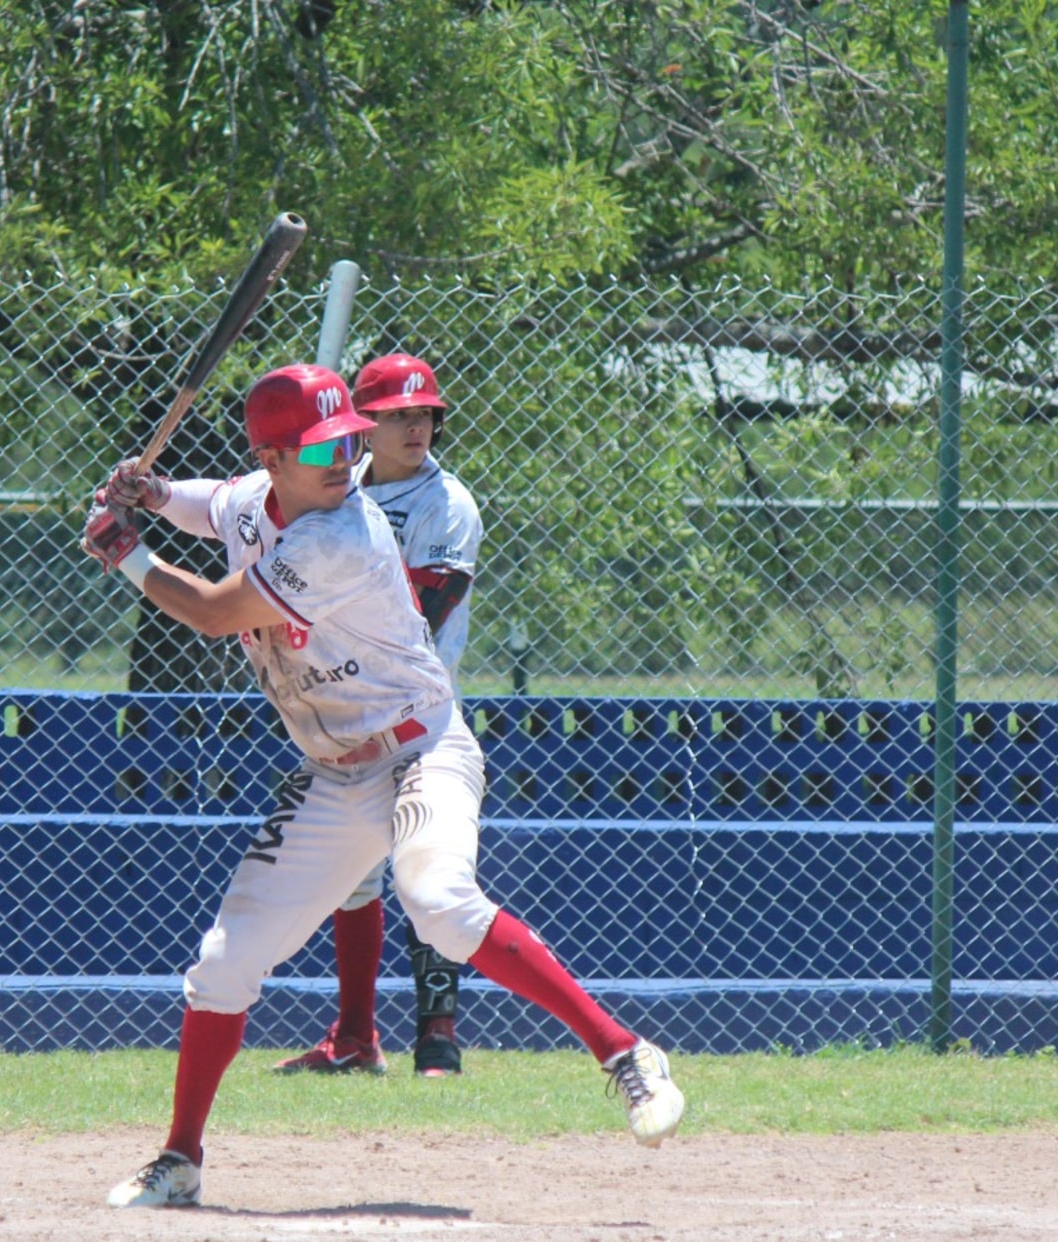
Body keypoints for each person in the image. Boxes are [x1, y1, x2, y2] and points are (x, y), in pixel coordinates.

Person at [82, 363, 685, 1209]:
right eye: (325, 444)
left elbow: (217, 611)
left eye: (351, 441)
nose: (345, 458)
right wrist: (151, 494)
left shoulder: (345, 534)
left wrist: (124, 550)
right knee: (222, 967)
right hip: (336, 774)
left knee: (437, 900)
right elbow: (208, 503)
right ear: (270, 456)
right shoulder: (253, 497)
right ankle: (180, 1159)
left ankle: (625, 1053)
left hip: (421, 746)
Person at [273, 353, 482, 1079]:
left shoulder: (445, 503)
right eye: (398, 414)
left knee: (430, 877)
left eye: (424, 413)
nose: (417, 425)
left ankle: (439, 1040)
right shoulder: (338, 490)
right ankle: (356, 1038)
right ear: (365, 426)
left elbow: (420, 611)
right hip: (348, 714)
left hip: (420, 719)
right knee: (354, 881)